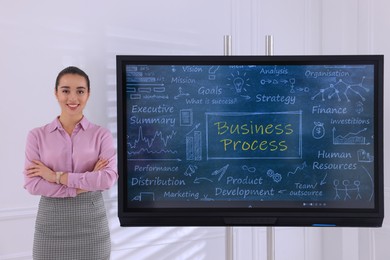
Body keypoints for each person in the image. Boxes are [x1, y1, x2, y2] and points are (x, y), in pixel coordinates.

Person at [23, 66, 118, 260]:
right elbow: (32, 184)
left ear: (88, 94)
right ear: (56, 93)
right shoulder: (37, 136)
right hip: (50, 227)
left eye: (80, 91)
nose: (73, 98)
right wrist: (84, 184)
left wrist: (54, 176)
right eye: (65, 90)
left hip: (92, 228)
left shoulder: (101, 135)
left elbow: (107, 179)